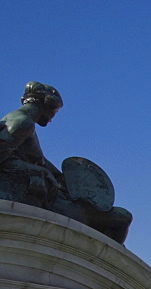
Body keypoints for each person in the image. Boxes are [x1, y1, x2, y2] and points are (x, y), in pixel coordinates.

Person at [0, 81, 132, 243]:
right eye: (55, 111)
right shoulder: (22, 123)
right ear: (47, 105)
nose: (52, 118)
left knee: (115, 217)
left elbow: (41, 161)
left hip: (53, 193)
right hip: (46, 198)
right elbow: (3, 160)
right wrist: (42, 172)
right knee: (122, 217)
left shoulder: (19, 121)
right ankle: (103, 261)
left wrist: (59, 175)